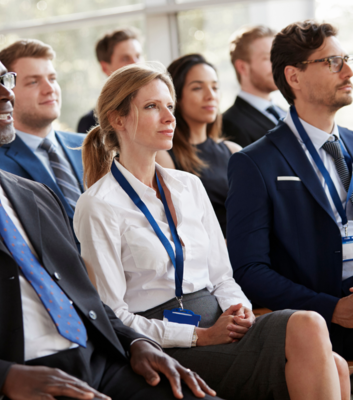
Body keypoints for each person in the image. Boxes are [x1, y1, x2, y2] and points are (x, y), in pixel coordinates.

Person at [0, 38, 221, 400]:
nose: (6, 94)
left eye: (8, 80)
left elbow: (87, 299)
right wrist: (2, 378)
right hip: (17, 378)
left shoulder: (34, 196)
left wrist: (136, 342)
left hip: (101, 361)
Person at [74, 62, 350, 400]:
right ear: (118, 119)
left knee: (335, 363)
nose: (169, 117)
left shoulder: (189, 185)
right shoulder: (98, 204)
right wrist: (199, 336)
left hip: (220, 323)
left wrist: (239, 309)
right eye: (151, 107)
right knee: (308, 325)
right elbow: (112, 316)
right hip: (167, 344)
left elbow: (222, 277)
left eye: (170, 106)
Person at [226, 19, 353, 364]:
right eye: (332, 62)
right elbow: (249, 270)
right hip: (322, 327)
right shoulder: (254, 163)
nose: (348, 70)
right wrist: (334, 309)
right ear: (293, 76)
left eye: (346, 58)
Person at [0, 39, 84, 246]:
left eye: (52, 78)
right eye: (33, 82)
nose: (49, 89)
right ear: (6, 92)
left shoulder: (92, 145)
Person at [156, 54, 240, 237]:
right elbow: (175, 226)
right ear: (175, 97)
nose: (211, 96)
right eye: (197, 88)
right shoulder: (165, 156)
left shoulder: (233, 150)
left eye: (215, 87)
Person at [222, 25, 286, 147]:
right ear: (242, 67)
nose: (277, 65)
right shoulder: (229, 123)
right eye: (268, 58)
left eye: (278, 57)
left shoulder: (286, 113)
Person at [77, 27, 142, 134]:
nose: (137, 64)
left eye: (138, 56)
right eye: (125, 58)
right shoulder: (90, 123)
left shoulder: (165, 110)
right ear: (105, 68)